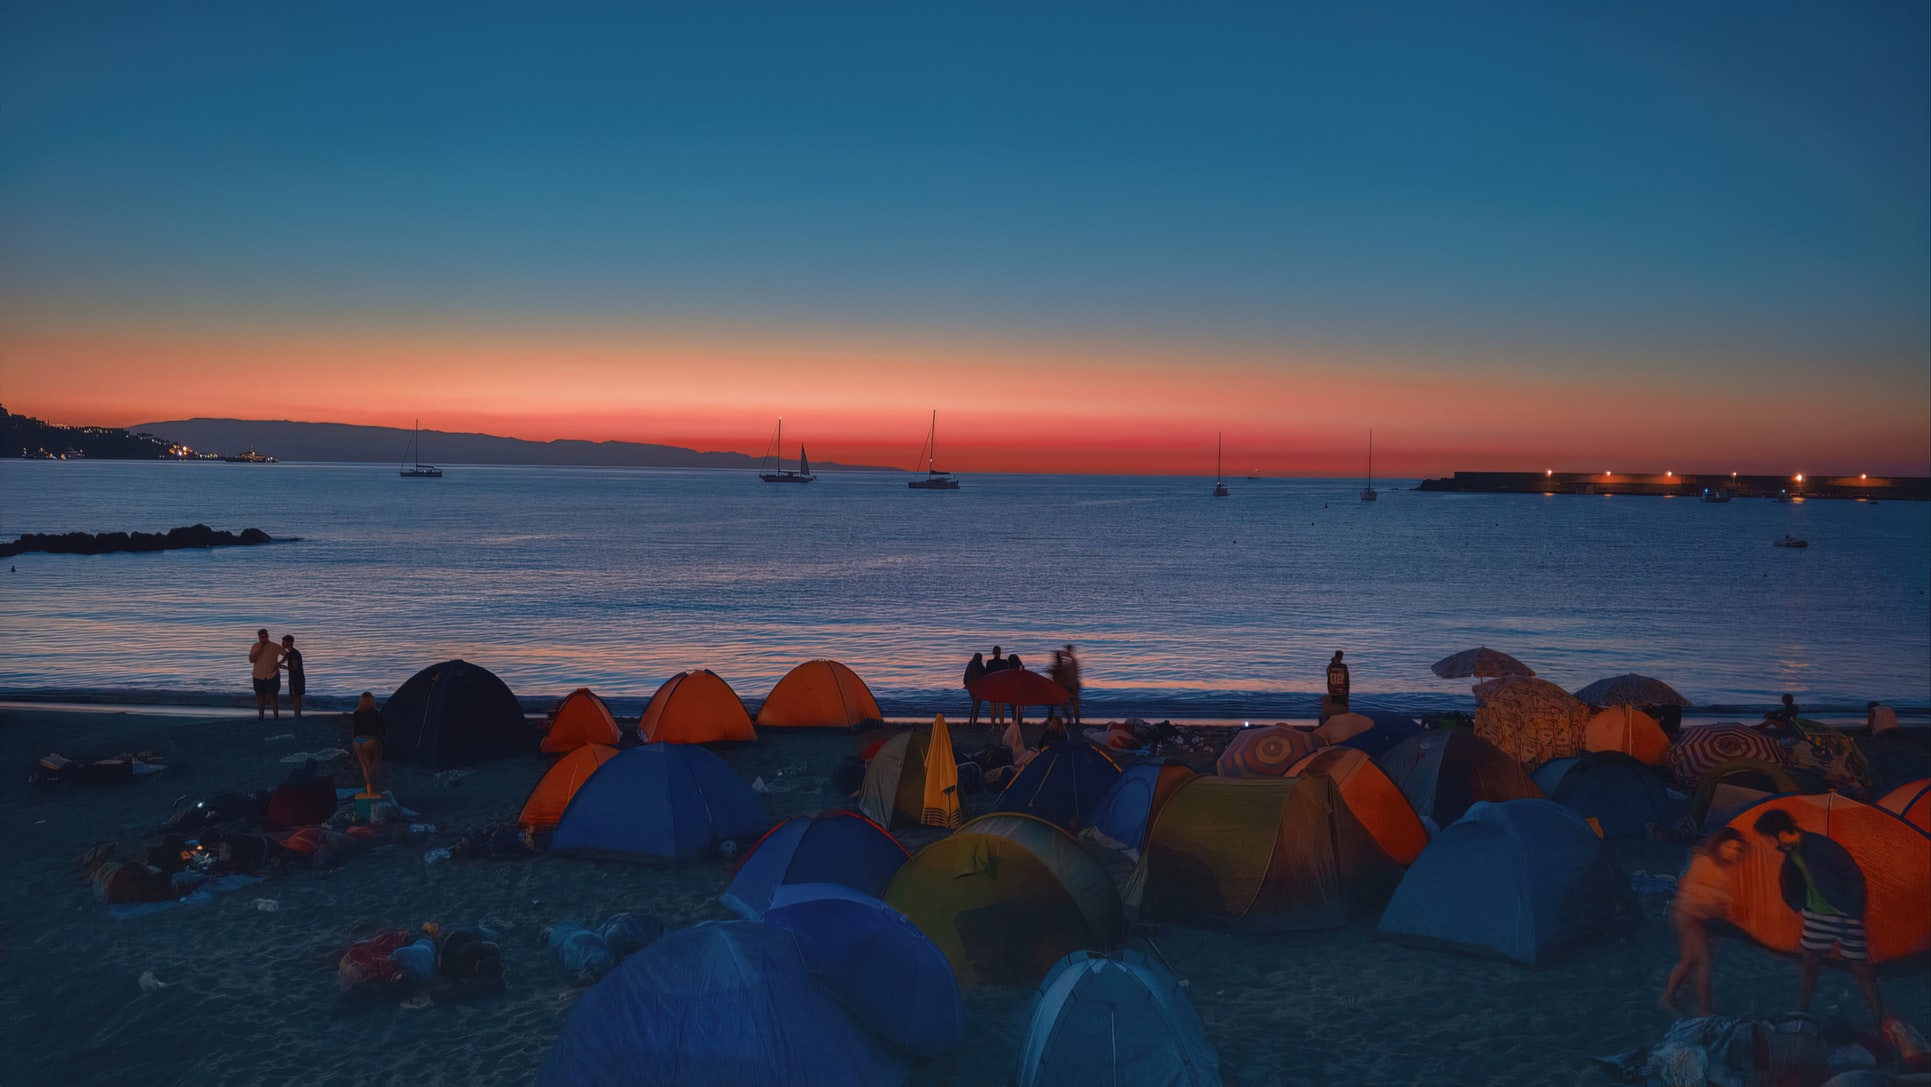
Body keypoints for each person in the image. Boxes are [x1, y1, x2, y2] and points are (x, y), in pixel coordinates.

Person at [1752, 807, 1884, 1021]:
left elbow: (1853, 875)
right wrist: (1799, 903)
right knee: (1809, 961)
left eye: (1768, 838)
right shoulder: (1791, 852)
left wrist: (1853, 909)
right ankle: (1802, 1011)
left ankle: (1878, 1015)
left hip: (1844, 914)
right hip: (1815, 915)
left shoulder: (1820, 846)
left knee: (1860, 967)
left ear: (1780, 832)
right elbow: (1791, 880)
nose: (1768, 844)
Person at [1662, 827, 1746, 1016]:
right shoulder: (1704, 861)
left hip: (1698, 917)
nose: (1733, 852)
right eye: (1730, 847)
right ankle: (1706, 1010)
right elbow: (1693, 890)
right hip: (1688, 916)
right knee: (1703, 962)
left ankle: (1668, 998)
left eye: (1737, 849)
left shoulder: (1722, 867)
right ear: (1720, 845)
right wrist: (1717, 899)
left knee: (1689, 961)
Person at [350, 691, 385, 792]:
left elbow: (355, 730)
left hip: (357, 741)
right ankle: (372, 782)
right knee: (377, 757)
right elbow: (381, 728)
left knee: (364, 765)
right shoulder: (374, 712)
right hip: (370, 739)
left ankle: (368, 786)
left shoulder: (356, 713)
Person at [248, 629, 285, 720]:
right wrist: (261, 649)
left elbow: (286, 654)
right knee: (260, 695)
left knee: (273, 695)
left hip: (272, 675)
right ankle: (261, 715)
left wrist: (279, 663)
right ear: (259, 637)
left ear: (267, 636)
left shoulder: (275, 646)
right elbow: (251, 660)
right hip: (258, 675)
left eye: (264, 637)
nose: (263, 639)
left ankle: (276, 715)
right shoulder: (255, 646)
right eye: (261, 637)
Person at [280, 634, 306, 717]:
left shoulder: (293, 654)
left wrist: (283, 667)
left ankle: (297, 713)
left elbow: (294, 668)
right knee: (295, 695)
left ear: (289, 642)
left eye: (283, 642)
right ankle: (297, 712)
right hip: (296, 677)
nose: (282, 644)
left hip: (296, 677)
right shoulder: (290, 653)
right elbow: (283, 660)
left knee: (296, 696)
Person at [1323, 651, 1351, 721]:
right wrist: (1347, 693)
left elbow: (1328, 677)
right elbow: (1347, 680)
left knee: (1333, 712)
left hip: (1333, 691)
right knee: (1342, 712)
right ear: (1342, 657)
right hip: (1341, 692)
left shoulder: (1330, 666)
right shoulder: (1344, 667)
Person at [964, 652, 987, 726]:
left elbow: (965, 677)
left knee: (974, 703)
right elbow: (984, 674)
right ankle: (974, 720)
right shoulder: (979, 665)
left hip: (970, 687)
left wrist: (967, 684)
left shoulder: (970, 664)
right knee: (977, 705)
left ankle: (971, 719)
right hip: (977, 687)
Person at [987, 646, 1007, 726]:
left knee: (992, 707)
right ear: (1000, 652)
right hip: (1001, 686)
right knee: (1001, 707)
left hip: (992, 686)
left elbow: (987, 675)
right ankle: (1001, 726)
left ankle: (993, 726)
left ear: (993, 653)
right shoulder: (1005, 662)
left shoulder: (989, 663)